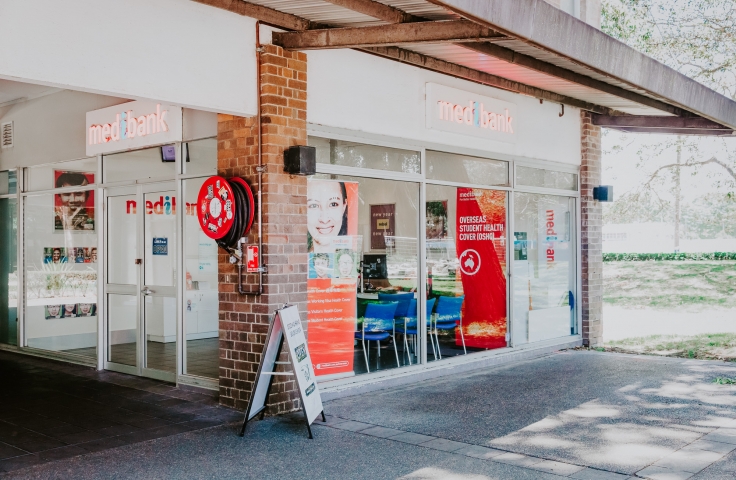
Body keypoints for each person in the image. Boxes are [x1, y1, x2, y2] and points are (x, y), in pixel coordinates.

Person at [307, 180, 348, 252]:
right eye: (314, 205)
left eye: (333, 204)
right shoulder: (296, 258)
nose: (324, 219)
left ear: (344, 207)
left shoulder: (352, 260)